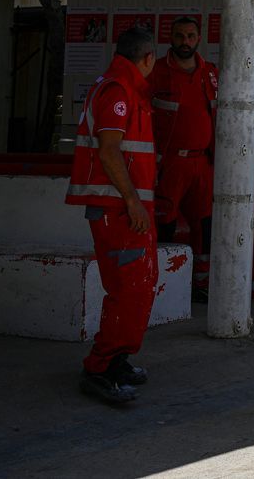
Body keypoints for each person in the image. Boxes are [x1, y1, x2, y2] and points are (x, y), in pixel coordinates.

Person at [67, 26, 159, 404]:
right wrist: (133, 201)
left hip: (125, 209)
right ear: (147, 58)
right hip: (117, 210)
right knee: (127, 289)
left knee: (139, 287)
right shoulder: (118, 91)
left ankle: (117, 358)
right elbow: (109, 151)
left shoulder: (124, 88)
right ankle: (100, 367)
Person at [148, 16, 217, 295]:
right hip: (169, 164)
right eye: (179, 36)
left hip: (203, 162)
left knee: (204, 225)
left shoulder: (210, 72)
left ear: (198, 38)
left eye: (190, 36)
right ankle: (161, 286)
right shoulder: (156, 72)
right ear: (170, 38)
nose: (185, 41)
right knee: (163, 223)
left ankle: (201, 285)